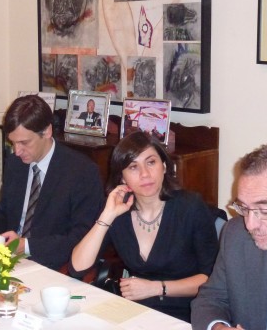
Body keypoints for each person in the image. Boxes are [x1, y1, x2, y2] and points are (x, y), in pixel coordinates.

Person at [70, 131, 218, 322]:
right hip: (137, 311)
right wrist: (107, 215)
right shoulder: (119, 212)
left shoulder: (190, 207)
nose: (145, 174)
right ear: (122, 178)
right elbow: (78, 268)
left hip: (187, 312)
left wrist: (156, 288)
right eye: (133, 167)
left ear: (164, 166)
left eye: (151, 162)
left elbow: (211, 280)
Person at [0, 95, 104, 270]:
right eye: (12, 142)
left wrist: (27, 246)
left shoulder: (82, 172)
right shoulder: (15, 163)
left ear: (47, 131)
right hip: (10, 260)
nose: (17, 151)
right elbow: (4, 210)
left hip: (54, 266)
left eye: (24, 142)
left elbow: (81, 238)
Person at [191, 142, 267, 330]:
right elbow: (211, 298)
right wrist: (218, 327)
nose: (250, 225)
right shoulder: (236, 235)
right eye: (243, 208)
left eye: (264, 210)